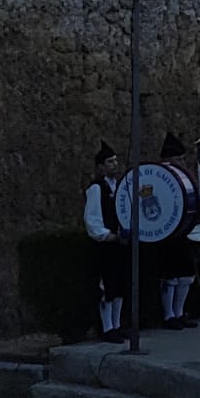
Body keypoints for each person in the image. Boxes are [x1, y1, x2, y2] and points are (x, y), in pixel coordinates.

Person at [155, 132, 200, 329]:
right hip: (167, 233)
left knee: (186, 274)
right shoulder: (161, 176)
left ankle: (180, 312)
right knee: (170, 276)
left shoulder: (184, 176)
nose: (182, 162)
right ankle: (169, 315)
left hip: (183, 231)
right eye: (178, 158)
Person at [83, 142, 128, 341]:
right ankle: (107, 328)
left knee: (119, 286)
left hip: (118, 243)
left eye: (116, 161)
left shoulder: (119, 186)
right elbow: (92, 218)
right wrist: (106, 235)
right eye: (110, 162)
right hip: (104, 244)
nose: (114, 165)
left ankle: (117, 325)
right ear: (100, 166)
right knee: (106, 287)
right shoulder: (96, 188)